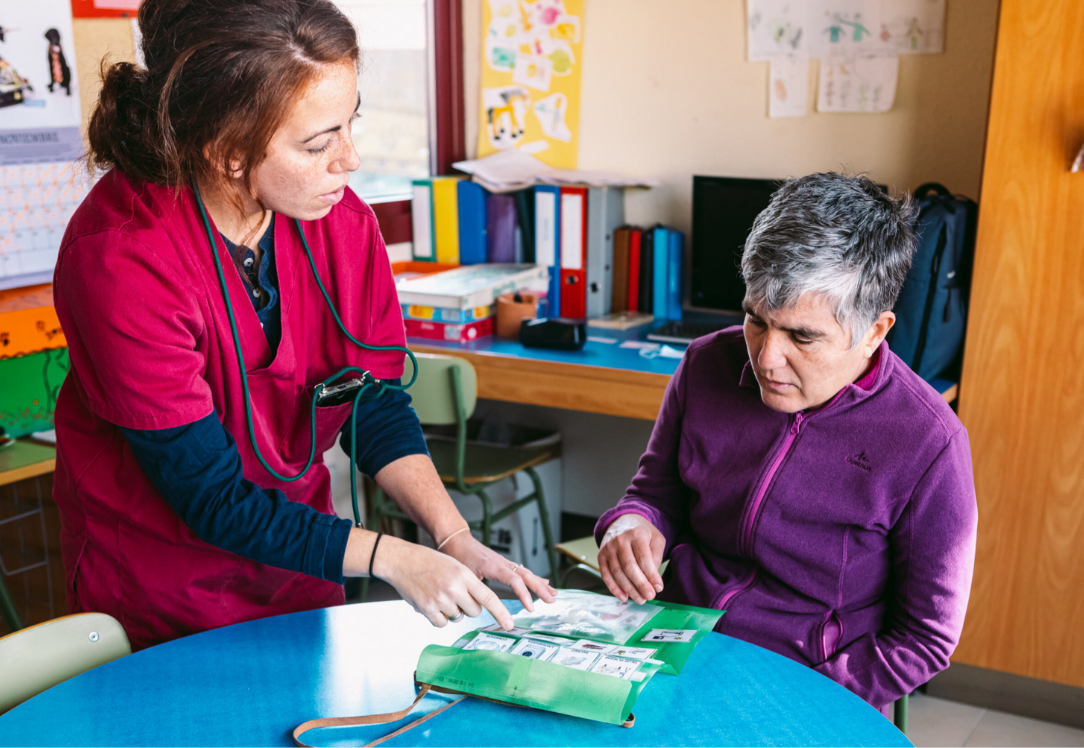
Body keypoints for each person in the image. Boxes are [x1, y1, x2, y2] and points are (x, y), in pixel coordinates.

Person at [53, 0, 554, 651]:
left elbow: (370, 400)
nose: (350, 159)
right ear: (227, 150)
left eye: (350, 125)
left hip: (303, 567)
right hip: (165, 593)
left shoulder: (341, 223)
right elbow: (212, 498)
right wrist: (394, 558)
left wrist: (452, 535)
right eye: (318, 144)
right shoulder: (122, 259)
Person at [595, 173, 977, 711]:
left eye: (802, 336)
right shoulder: (705, 363)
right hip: (677, 645)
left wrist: (809, 698)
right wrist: (631, 524)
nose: (766, 358)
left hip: (807, 681)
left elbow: (926, 638)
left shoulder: (928, 441)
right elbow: (654, 494)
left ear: (874, 331)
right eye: (756, 320)